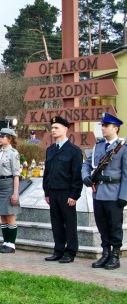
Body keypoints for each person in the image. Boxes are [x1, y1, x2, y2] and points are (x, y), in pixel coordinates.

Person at [82, 112, 127, 270]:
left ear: (115, 128)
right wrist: (86, 176)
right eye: (102, 125)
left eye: (106, 125)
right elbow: (87, 164)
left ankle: (115, 256)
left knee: (114, 226)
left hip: (115, 194)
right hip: (98, 192)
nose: (103, 128)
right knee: (102, 225)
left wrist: (124, 195)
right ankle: (106, 253)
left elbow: (126, 174)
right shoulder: (98, 146)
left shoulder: (122, 148)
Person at [43, 116, 83, 263]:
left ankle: (70, 252)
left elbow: (76, 175)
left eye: (56, 128)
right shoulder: (50, 150)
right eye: (52, 128)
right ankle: (58, 250)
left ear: (65, 129)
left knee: (69, 222)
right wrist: (46, 192)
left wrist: (74, 194)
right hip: (53, 191)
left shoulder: (73, 151)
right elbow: (47, 173)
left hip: (67, 192)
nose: (53, 130)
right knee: (56, 223)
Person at [0, 128, 21, 253]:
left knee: (10, 215)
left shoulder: (13, 153)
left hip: (8, 183)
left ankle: (11, 244)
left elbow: (16, 175)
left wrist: (15, 193)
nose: (0, 138)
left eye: (2, 136)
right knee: (2, 215)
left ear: (9, 139)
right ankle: (5, 242)